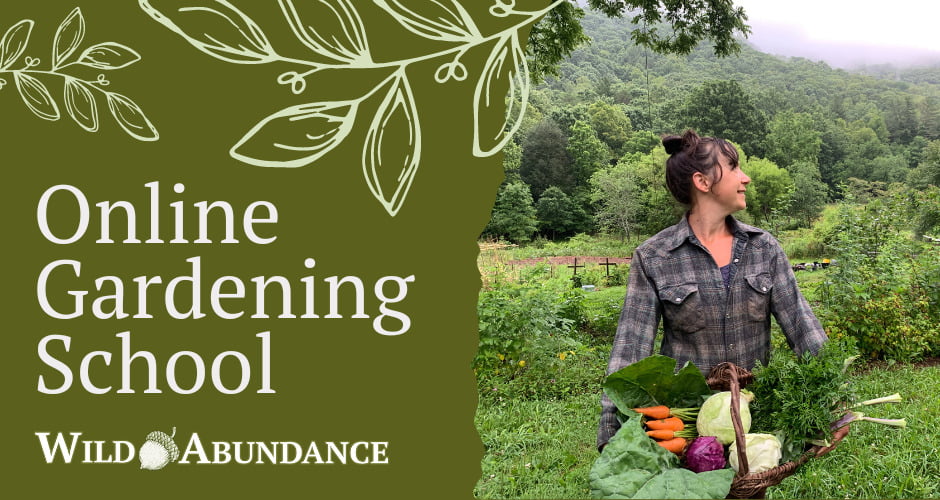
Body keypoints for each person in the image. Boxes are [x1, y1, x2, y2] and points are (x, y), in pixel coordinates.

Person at [596, 130, 828, 451]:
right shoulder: (654, 257)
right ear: (703, 182)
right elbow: (629, 352)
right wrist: (610, 431)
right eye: (733, 168)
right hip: (684, 428)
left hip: (755, 419)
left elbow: (805, 330)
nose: (745, 178)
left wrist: (836, 403)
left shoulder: (764, 248)